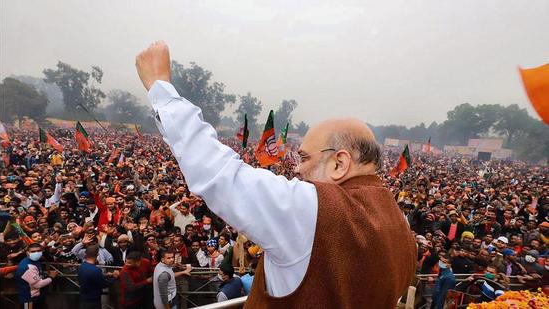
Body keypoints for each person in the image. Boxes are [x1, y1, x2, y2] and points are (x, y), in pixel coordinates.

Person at [136, 41, 416, 308]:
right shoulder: (401, 226)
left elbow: (221, 173)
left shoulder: (315, 209)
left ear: (339, 164)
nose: (297, 168)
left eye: (305, 158)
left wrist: (160, 87)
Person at [14, 242, 58, 309]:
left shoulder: (35, 260)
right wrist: (51, 277)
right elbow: (38, 284)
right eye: (33, 251)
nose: (36, 253)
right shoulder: (27, 267)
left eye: (38, 251)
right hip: (29, 299)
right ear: (27, 253)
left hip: (37, 297)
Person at [77, 244, 119, 308]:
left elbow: (91, 278)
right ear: (97, 254)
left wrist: (105, 276)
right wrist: (114, 277)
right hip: (93, 301)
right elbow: (104, 284)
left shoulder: (81, 266)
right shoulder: (96, 270)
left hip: (83, 299)